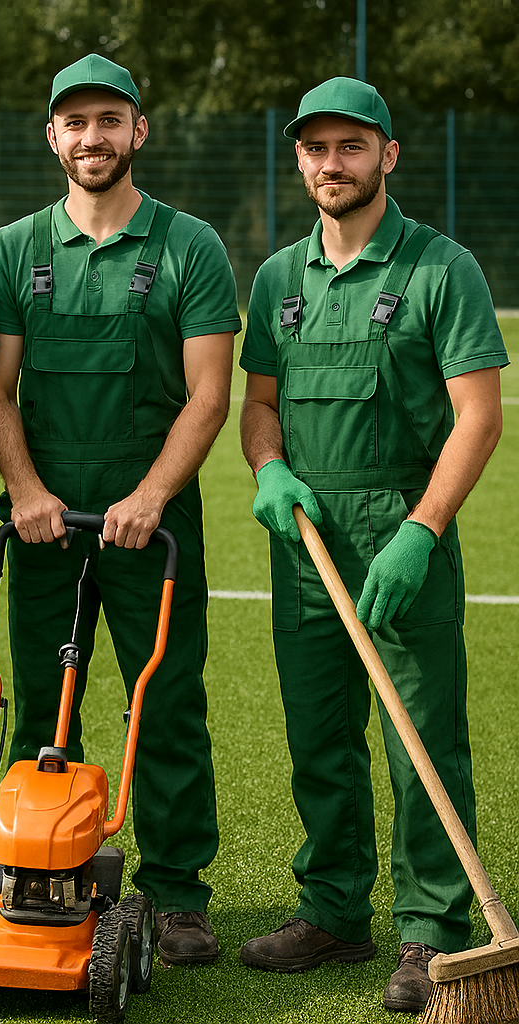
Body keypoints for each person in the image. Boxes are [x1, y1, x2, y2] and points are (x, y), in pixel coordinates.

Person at [237, 77, 507, 1013]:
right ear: (299, 159)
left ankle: (433, 929)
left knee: (421, 735)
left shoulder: (441, 269)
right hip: (306, 540)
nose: (330, 164)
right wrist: (268, 469)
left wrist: (422, 531)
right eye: (315, 148)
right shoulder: (277, 277)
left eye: (351, 146)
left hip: (403, 539)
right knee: (320, 739)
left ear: (387, 155)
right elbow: (259, 406)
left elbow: (478, 417)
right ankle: (333, 910)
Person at [0, 54, 240, 964]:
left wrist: (151, 494)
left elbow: (210, 394)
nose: (93, 137)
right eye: (76, 123)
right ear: (52, 136)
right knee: (40, 703)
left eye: (110, 120)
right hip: (44, 521)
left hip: (152, 522)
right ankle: (48, 872)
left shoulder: (190, 246)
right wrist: (22, 490)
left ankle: (176, 894)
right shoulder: (15, 249)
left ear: (140, 131)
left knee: (165, 700)